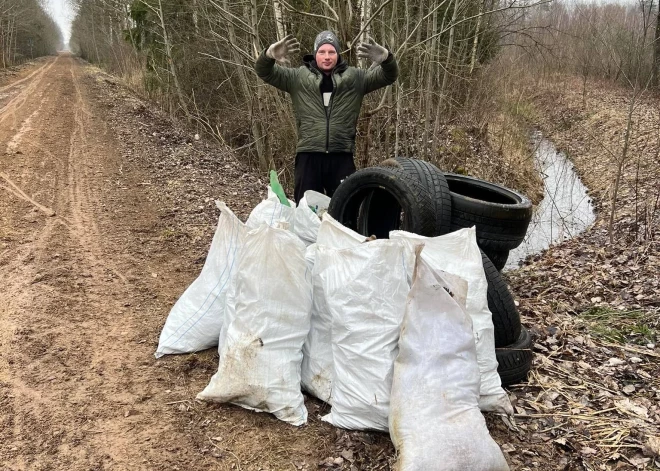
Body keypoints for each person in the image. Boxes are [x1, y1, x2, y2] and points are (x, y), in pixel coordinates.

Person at [255, 31, 398, 203]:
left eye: (332, 52)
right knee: (306, 211)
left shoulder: (355, 78)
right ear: (315, 54)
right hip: (308, 156)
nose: (327, 57)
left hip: (341, 156)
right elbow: (264, 71)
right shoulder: (297, 78)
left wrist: (386, 59)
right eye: (322, 52)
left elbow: (389, 75)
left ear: (338, 54)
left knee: (345, 210)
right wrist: (269, 55)